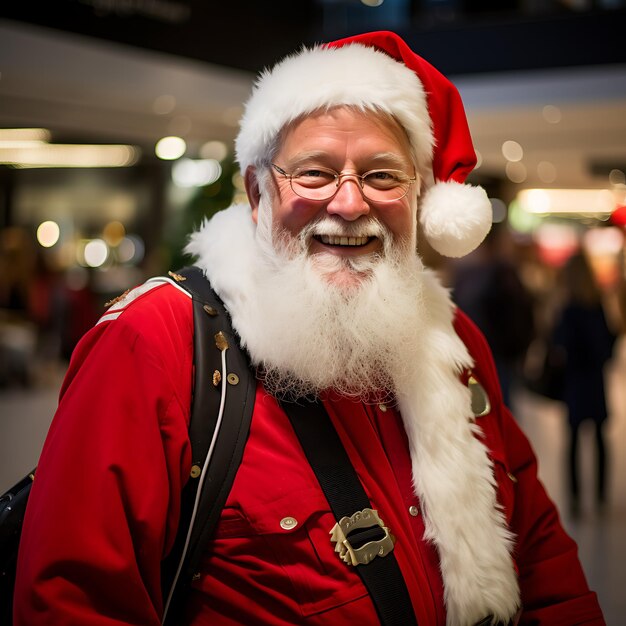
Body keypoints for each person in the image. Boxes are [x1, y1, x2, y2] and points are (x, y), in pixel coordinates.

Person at [14, 31, 604, 625]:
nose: (350, 204)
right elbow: (73, 602)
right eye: (316, 173)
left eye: (381, 176)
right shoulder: (154, 342)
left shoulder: (454, 344)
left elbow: (545, 567)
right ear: (257, 191)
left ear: (419, 197)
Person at [553, 252, 617, 518]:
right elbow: (609, 340)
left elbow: (558, 345)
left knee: (573, 440)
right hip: (594, 379)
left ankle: (576, 499)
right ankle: (601, 496)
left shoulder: (567, 309)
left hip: (575, 381)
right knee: (600, 438)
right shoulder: (597, 304)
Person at [452, 222, 535, 408]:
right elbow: (521, 311)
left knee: (487, 405)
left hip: (479, 350)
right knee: (501, 404)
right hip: (499, 351)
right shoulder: (502, 274)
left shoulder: (466, 275)